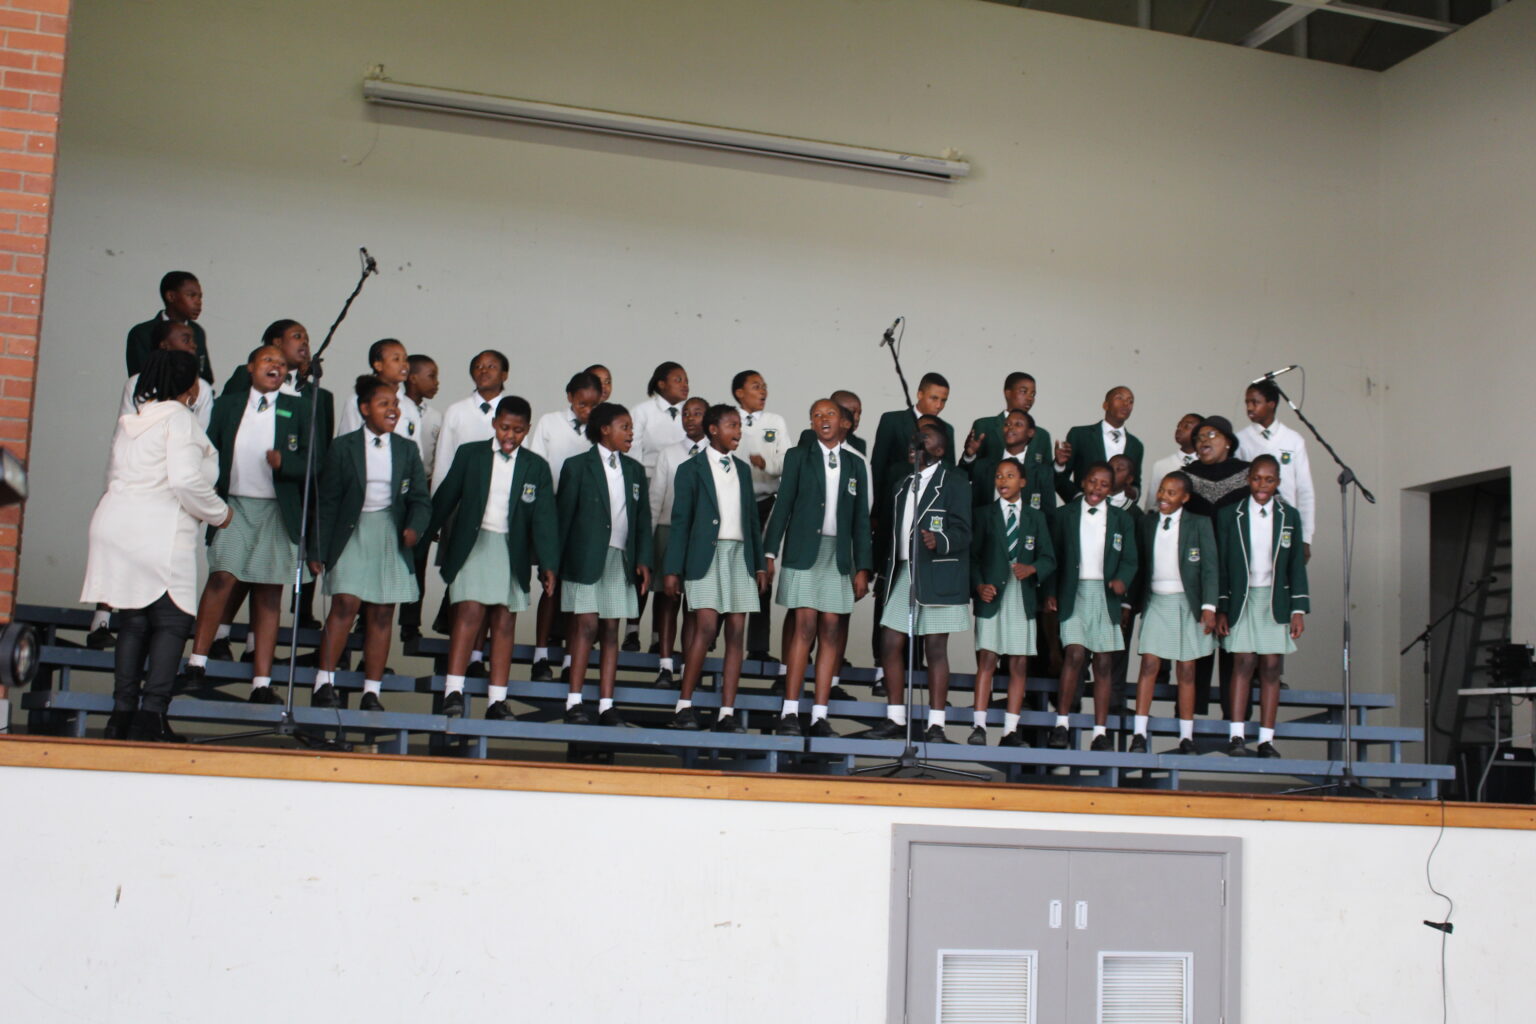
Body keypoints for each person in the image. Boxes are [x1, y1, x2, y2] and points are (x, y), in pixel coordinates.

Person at [82, 350, 232, 741]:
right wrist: (219, 513)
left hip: (118, 524)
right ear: (191, 386)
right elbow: (184, 480)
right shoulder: (179, 420)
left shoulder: (134, 420)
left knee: (134, 620)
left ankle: (122, 714)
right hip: (159, 529)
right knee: (171, 621)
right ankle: (152, 716)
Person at [181, 345, 311, 703]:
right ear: (252, 367)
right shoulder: (228, 404)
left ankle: (262, 683)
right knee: (222, 576)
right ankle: (196, 661)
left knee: (269, 592)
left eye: (282, 365)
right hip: (234, 506)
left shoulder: (297, 407)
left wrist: (287, 462)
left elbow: (315, 464)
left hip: (275, 511)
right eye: (269, 360)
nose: (277, 367)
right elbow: (208, 451)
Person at [429, 395, 559, 719]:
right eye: (504, 428)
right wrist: (423, 531)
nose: (509, 436)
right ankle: (453, 691)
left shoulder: (536, 467)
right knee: (469, 613)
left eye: (517, 430)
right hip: (474, 544)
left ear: (527, 430)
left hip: (509, 548)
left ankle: (497, 699)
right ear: (494, 424)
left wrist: (548, 564)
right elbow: (447, 495)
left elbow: (544, 519)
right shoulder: (470, 454)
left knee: (504, 620)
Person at [308, 375, 430, 712]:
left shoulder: (407, 449)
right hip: (352, 531)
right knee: (345, 604)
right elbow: (328, 501)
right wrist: (317, 550)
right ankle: (324, 682)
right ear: (364, 409)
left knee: (381, 612)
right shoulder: (343, 447)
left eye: (395, 404)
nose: (392, 410)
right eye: (383, 404)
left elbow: (421, 499)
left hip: (389, 533)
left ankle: (371, 692)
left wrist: (414, 528)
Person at [764, 399, 873, 737]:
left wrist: (863, 567)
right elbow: (783, 506)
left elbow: (860, 521)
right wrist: (769, 552)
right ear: (811, 423)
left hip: (838, 556)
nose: (823, 419)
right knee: (805, 625)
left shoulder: (856, 464)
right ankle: (790, 711)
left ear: (845, 423)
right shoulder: (798, 456)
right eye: (816, 415)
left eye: (830, 415)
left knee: (830, 629)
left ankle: (820, 714)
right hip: (803, 552)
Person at [662, 405, 767, 732]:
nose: (738, 431)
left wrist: (760, 564)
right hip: (705, 556)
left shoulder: (743, 469)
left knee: (736, 631)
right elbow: (680, 523)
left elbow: (752, 521)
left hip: (739, 556)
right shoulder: (690, 469)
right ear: (712, 429)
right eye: (731, 425)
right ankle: (684, 704)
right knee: (705, 627)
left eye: (739, 425)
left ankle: (726, 712)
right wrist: (672, 569)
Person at [865, 423, 972, 742]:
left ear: (938, 451)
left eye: (922, 442)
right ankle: (895, 717)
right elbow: (891, 534)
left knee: (936, 648)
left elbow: (965, 531)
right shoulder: (901, 484)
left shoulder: (954, 481)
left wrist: (939, 539)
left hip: (937, 574)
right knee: (890, 642)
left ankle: (936, 724)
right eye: (913, 440)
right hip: (903, 573)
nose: (914, 445)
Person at [557, 402, 653, 726]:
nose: (631, 433)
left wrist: (642, 560)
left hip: (619, 558)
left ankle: (606, 704)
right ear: (604, 430)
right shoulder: (577, 466)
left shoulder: (636, 470)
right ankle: (574, 701)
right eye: (624, 426)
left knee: (611, 628)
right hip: (584, 558)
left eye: (631, 427)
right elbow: (564, 517)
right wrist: (555, 564)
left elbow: (642, 522)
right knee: (585, 626)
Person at [1216, 455, 1309, 758]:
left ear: (1278, 483)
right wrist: (1221, 606)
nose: (1262, 485)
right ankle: (1237, 735)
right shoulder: (1232, 514)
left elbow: (1296, 564)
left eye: (1269, 480)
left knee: (1270, 667)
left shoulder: (1289, 516)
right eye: (1257, 478)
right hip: (1242, 598)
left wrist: (1298, 609)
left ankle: (1267, 739)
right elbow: (1221, 565)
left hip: (1274, 599)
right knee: (1242, 663)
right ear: (1248, 479)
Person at [869, 373, 959, 679]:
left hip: (927, 525)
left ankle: (915, 665)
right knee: (887, 588)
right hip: (893, 513)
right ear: (919, 394)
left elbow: (950, 475)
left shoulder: (946, 431)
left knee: (924, 596)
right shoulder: (894, 420)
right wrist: (876, 514)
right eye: (934, 397)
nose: (939, 404)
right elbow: (878, 466)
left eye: (944, 399)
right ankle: (882, 665)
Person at [1045, 462, 1138, 750]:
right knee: (1074, 654)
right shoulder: (1065, 515)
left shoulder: (1122, 519)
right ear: (1083, 482)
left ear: (1112, 489)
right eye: (1093, 482)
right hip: (1075, 592)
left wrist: (1122, 581)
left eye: (1104, 485)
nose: (1097, 489)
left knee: (1104, 661)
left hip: (1105, 595)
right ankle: (1061, 724)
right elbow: (1052, 556)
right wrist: (1050, 591)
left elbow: (1131, 559)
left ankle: (1100, 732)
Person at [969, 457, 1056, 747]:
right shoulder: (984, 514)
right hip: (992, 595)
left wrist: (1032, 569)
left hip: (1021, 595)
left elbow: (1049, 558)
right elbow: (973, 557)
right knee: (988, 660)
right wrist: (979, 585)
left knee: (1019, 663)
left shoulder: (1036, 517)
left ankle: (1010, 730)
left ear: (1023, 482)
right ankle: (979, 726)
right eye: (998, 475)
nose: (1002, 481)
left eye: (1009, 475)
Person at [1129, 471, 1217, 754]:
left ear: (1185, 497)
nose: (1163, 497)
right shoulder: (1148, 522)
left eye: (1171, 492)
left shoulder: (1199, 524)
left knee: (1187, 669)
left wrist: (1209, 606)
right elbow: (1140, 563)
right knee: (1150, 664)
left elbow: (1210, 568)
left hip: (1187, 602)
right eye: (1162, 491)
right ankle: (1139, 733)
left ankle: (1186, 735)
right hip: (1157, 600)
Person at [526, 371, 602, 680]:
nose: (587, 411)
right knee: (551, 584)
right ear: (569, 397)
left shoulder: (601, 429)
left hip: (587, 517)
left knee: (579, 587)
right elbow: (536, 466)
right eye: (582, 404)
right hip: (554, 510)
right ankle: (541, 655)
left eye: (593, 405)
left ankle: (572, 656)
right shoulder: (549, 423)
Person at [626, 361, 690, 651]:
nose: (684, 384)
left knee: (668, 565)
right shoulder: (643, 412)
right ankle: (631, 629)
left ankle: (657, 639)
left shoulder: (689, 416)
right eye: (678, 379)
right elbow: (633, 449)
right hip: (647, 487)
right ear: (661, 383)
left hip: (677, 494)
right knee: (643, 560)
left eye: (686, 380)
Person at [730, 369, 791, 661]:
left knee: (763, 570)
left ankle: (757, 647)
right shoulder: (728, 418)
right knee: (727, 568)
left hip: (767, 502)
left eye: (764, 386)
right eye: (756, 387)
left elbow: (787, 460)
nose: (763, 391)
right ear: (739, 393)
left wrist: (766, 463)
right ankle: (714, 641)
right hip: (733, 504)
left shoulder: (774, 422)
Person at [648, 396, 708, 687]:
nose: (690, 418)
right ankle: (665, 664)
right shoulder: (669, 453)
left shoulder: (715, 454)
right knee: (667, 599)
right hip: (668, 530)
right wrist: (649, 538)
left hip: (701, 537)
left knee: (693, 605)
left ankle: (688, 665)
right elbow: (656, 497)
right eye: (686, 413)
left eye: (697, 413)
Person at [1237, 380, 1315, 560]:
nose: (1249, 407)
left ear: (1271, 404)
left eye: (1255, 402)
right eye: (1247, 402)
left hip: (1285, 521)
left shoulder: (1293, 440)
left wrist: (1305, 537)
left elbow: (1305, 490)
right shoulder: (1240, 440)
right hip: (1251, 521)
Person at [397, 353, 442, 643]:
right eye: (431, 376)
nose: (437, 383)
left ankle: (410, 621)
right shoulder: (393, 405)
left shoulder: (436, 416)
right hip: (393, 492)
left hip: (420, 492)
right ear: (412, 377)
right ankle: (365, 621)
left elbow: (437, 460)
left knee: (418, 559)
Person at [431, 349, 509, 492]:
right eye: (478, 367)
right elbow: (444, 459)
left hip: (502, 492)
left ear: (504, 375)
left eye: (491, 366)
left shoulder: (512, 412)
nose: (484, 371)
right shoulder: (456, 411)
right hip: (463, 493)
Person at [1053, 386, 1143, 501]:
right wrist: (1078, 498)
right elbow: (1060, 478)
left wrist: (1130, 494)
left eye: (1130, 401)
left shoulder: (1136, 445)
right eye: (1119, 398)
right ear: (1105, 405)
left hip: (1119, 514)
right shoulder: (1080, 435)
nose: (1126, 404)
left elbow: (1136, 485)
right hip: (1083, 511)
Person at [125, 271, 212, 383]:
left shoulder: (197, 331)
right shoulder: (142, 333)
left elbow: (205, 375)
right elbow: (139, 377)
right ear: (171, 296)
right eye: (192, 295)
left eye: (200, 297)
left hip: (194, 398)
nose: (198, 302)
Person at [968, 408, 1055, 513]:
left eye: (1018, 424)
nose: (1010, 428)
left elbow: (1049, 515)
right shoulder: (983, 466)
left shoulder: (1043, 472)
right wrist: (969, 455)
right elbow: (974, 510)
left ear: (1030, 432)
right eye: (1007, 424)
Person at [966, 371, 1052, 472]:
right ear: (1008, 393)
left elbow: (1048, 476)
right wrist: (969, 456)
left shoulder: (1042, 435)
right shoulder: (984, 426)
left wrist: (1059, 465)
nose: (1030, 398)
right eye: (1024, 392)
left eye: (1033, 394)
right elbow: (967, 473)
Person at [335, 339, 417, 439]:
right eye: (396, 359)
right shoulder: (357, 400)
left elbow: (416, 448)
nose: (404, 364)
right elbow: (347, 442)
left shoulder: (409, 406)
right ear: (378, 365)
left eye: (405, 359)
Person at [1181, 415, 1250, 518]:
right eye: (1199, 437)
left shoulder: (1249, 474)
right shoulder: (1184, 476)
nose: (1204, 440)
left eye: (1211, 434)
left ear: (1228, 442)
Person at [1142, 412, 1204, 511]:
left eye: (1186, 426)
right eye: (1179, 425)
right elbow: (1151, 502)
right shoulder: (1161, 465)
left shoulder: (1205, 466)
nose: (1179, 429)